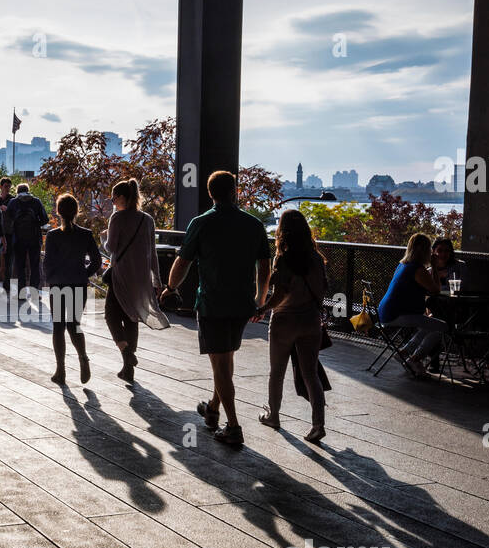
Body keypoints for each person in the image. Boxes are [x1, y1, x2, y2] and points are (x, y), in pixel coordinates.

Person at [161, 170, 270, 447]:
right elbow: (265, 268)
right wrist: (260, 300)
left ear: (210, 193)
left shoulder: (201, 223)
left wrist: (171, 288)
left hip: (212, 303)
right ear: (235, 191)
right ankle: (212, 409)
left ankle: (232, 426)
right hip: (242, 303)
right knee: (226, 360)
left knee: (220, 364)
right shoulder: (254, 225)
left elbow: (183, 261)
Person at [255, 210, 327, 443]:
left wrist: (263, 308)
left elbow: (281, 294)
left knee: (277, 372)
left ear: (282, 231)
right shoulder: (317, 259)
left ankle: (273, 415)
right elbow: (322, 290)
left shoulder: (283, 259)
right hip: (311, 320)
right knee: (310, 373)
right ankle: (318, 425)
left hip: (285, 321)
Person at [102, 178, 169, 383]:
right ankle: (127, 369)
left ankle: (126, 354)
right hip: (141, 279)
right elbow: (153, 253)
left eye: (114, 198)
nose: (113, 202)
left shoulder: (118, 218)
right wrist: (157, 281)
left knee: (111, 315)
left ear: (122, 197)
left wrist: (104, 238)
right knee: (132, 318)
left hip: (121, 275)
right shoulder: (147, 219)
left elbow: (111, 248)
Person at [43, 194, 100, 385]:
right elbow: (97, 261)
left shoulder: (53, 235)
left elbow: (47, 262)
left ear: (58, 211)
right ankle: (83, 357)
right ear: (77, 211)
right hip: (78, 284)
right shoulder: (86, 234)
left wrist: (50, 279)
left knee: (58, 327)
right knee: (74, 324)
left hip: (58, 284)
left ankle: (61, 370)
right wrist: (84, 274)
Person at [378, 233, 446, 376]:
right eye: (429, 249)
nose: (431, 252)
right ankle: (414, 359)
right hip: (398, 315)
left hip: (386, 312)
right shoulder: (418, 269)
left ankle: (404, 352)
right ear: (424, 250)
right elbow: (436, 289)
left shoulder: (403, 265)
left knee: (429, 324)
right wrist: (434, 265)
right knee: (442, 327)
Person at [4, 182, 48, 296]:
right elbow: (45, 219)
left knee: (20, 266)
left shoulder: (13, 202)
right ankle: (35, 292)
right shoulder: (36, 201)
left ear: (17, 191)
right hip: (34, 238)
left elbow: (8, 219)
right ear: (28, 190)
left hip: (18, 239)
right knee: (35, 266)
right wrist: (35, 223)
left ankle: (21, 293)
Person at [0, 176, 15, 288]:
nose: (7, 188)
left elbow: (15, 215)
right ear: (0, 187)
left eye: (9, 186)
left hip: (8, 232)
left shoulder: (13, 200)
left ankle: (7, 283)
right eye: (5, 186)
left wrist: (8, 210)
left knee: (9, 259)